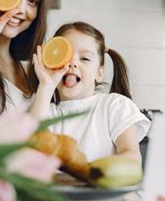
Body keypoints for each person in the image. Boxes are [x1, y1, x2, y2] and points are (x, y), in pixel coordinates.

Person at [30, 21, 150, 163]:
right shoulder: (46, 112)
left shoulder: (115, 106)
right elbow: (32, 153)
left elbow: (132, 156)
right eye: (64, 57)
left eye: (85, 58)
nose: (72, 63)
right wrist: (46, 85)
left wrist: (90, 172)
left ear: (99, 73)